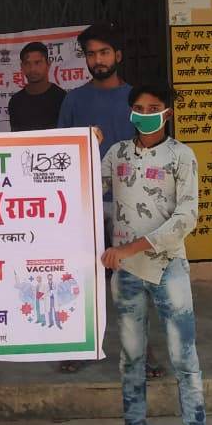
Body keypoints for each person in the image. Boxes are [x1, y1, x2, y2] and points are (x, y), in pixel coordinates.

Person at [98, 82, 212, 425]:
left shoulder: (182, 156)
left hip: (168, 268)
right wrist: (82, 145)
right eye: (138, 107)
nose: (145, 114)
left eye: (153, 108)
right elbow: (85, 185)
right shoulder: (117, 154)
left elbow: (186, 218)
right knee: (131, 359)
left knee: (185, 360)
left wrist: (128, 248)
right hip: (126, 274)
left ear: (167, 113)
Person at [57, 23, 164, 378]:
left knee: (133, 279)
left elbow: (153, 151)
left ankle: (143, 352)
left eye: (104, 52)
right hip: (85, 203)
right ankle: (81, 346)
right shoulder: (74, 100)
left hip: (130, 204)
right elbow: (62, 153)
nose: (98, 60)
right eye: (91, 54)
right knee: (85, 278)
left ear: (118, 55)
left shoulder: (138, 100)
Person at [8, 41, 67, 132]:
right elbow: (16, 138)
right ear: (22, 67)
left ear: (48, 64)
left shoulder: (62, 98)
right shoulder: (16, 101)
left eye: (37, 63)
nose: (32, 69)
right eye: (27, 64)